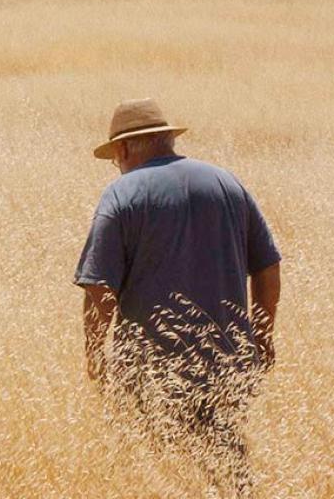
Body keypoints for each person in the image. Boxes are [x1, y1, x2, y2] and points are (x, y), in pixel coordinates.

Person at [74, 99, 282, 494]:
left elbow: (99, 287)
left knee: (158, 475)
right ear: (167, 139)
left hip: (152, 369)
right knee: (227, 470)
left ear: (123, 148)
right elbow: (268, 267)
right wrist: (261, 336)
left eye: (114, 157)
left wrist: (96, 357)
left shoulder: (120, 194)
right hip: (227, 364)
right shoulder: (226, 183)